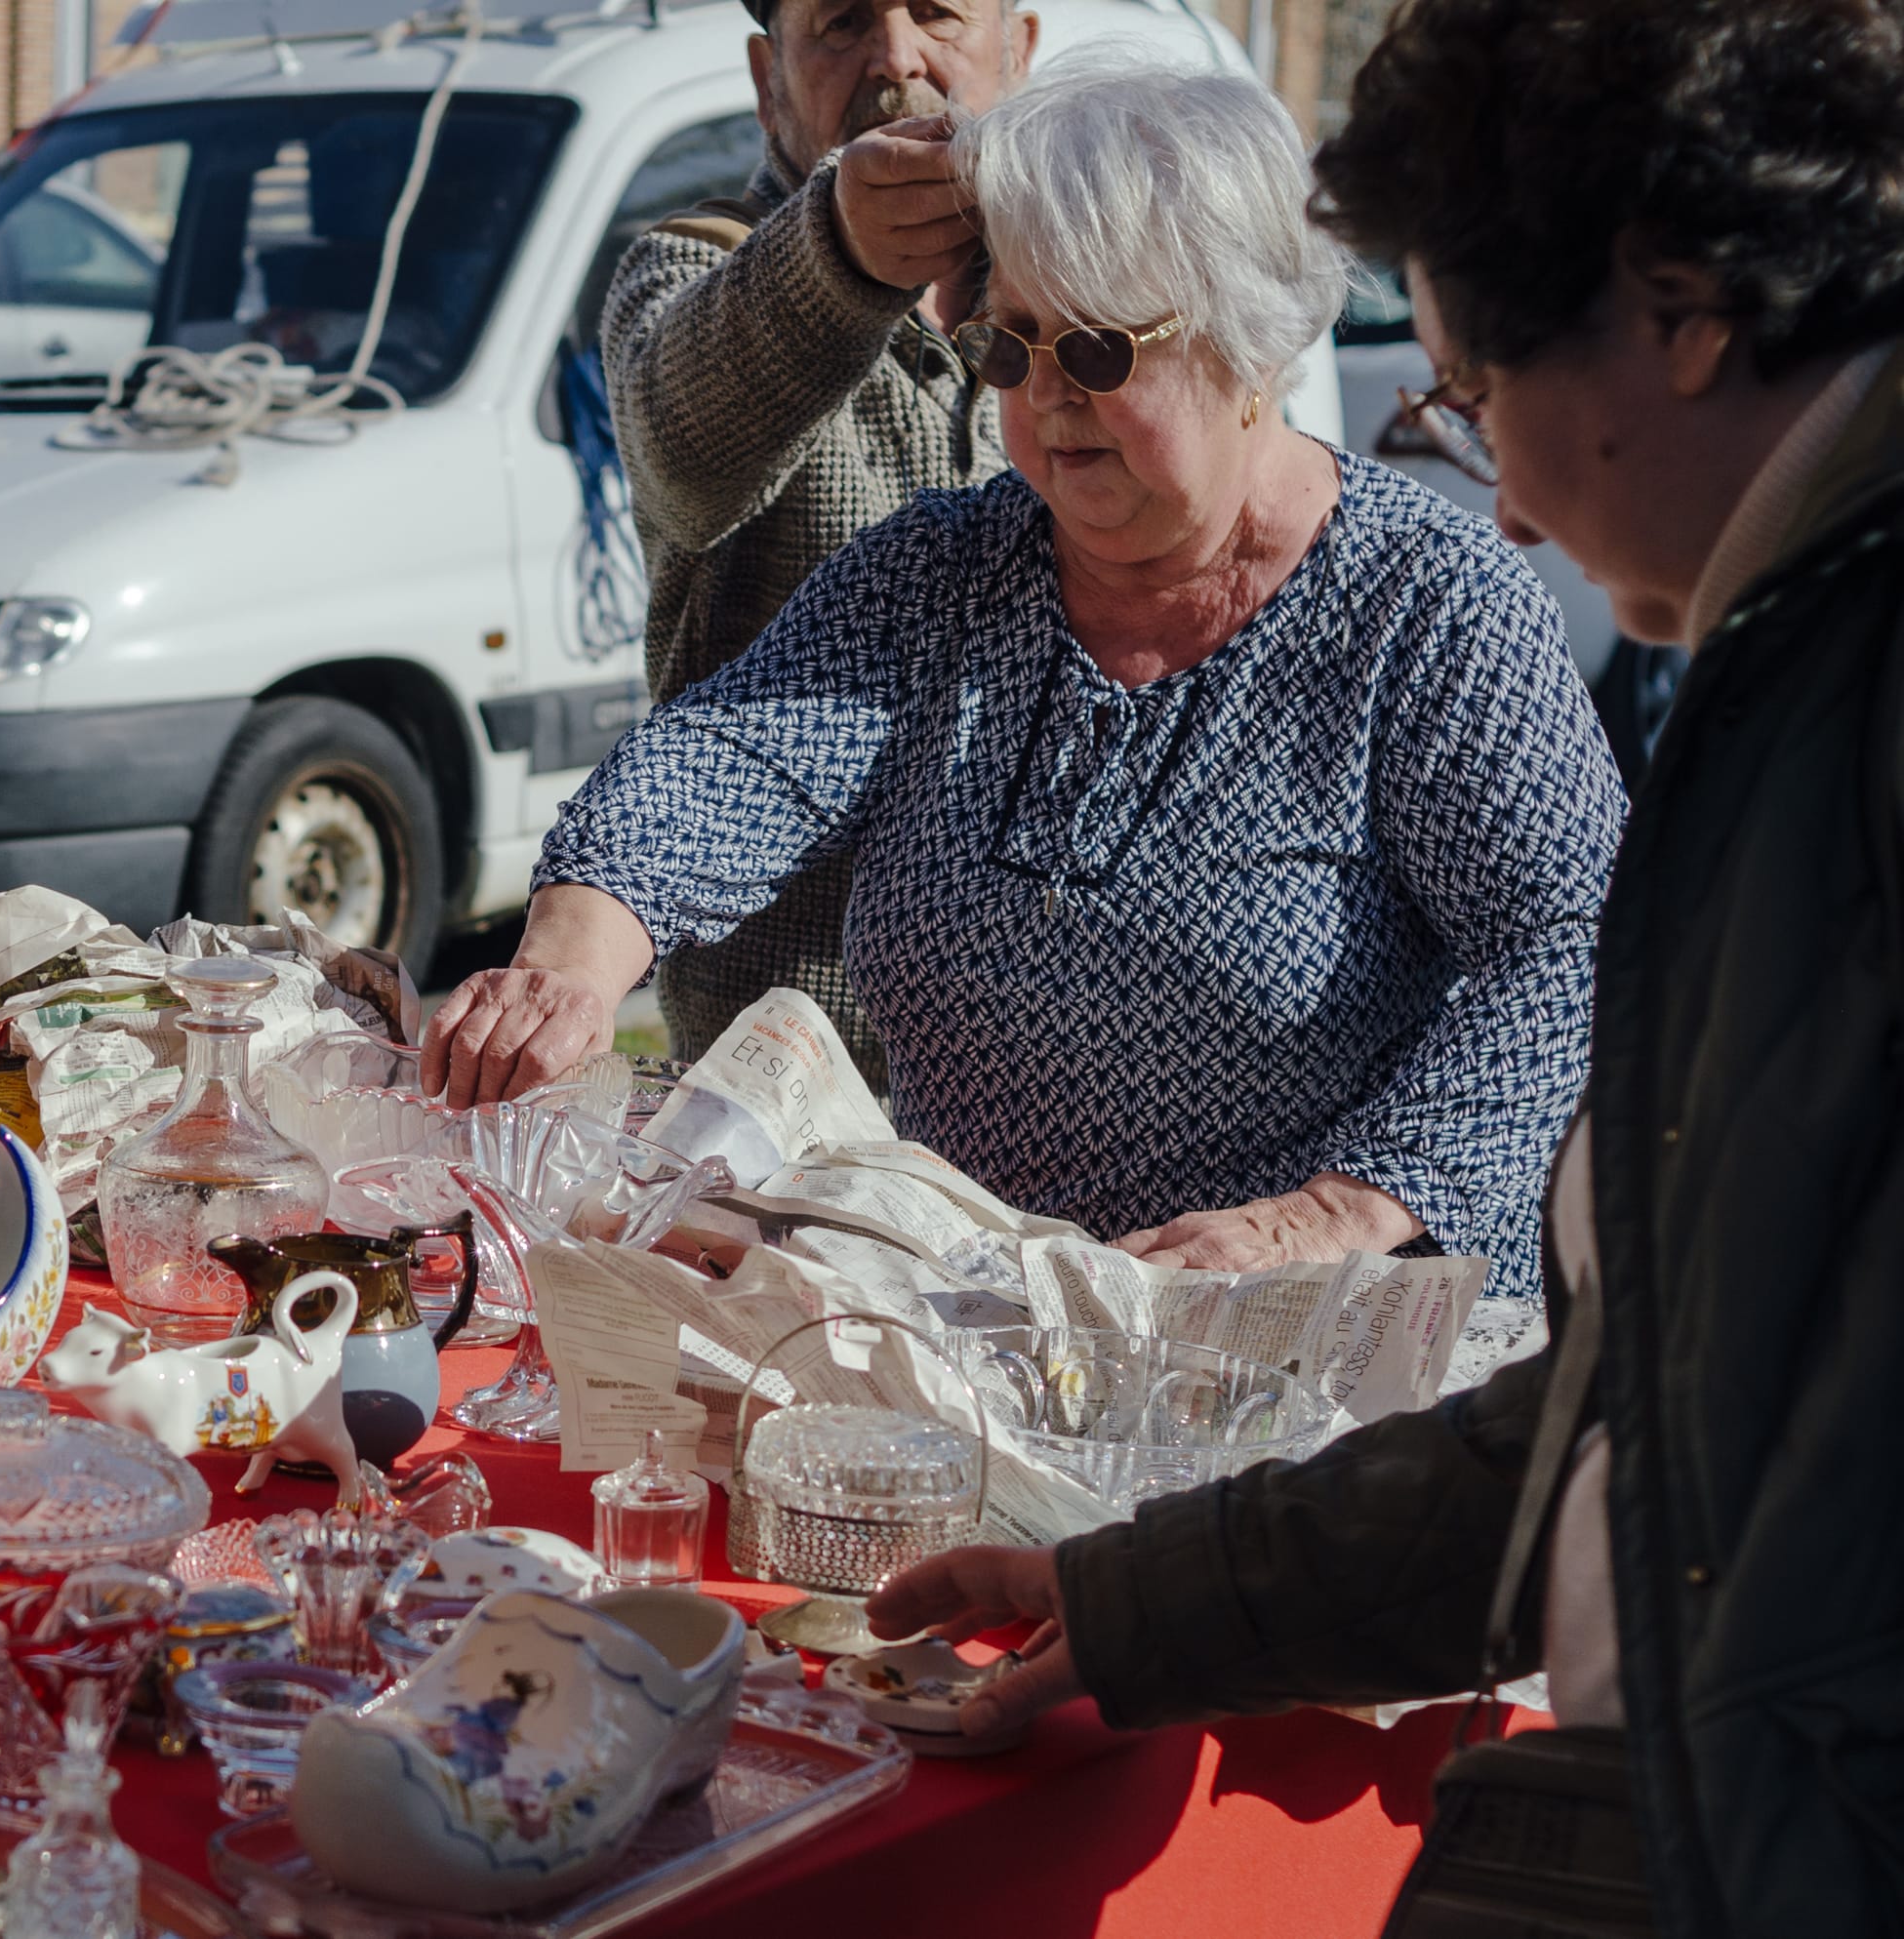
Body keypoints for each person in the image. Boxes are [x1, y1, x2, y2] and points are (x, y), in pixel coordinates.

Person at [867, 1, 1904, 1928]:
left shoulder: (1833, 690)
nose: (1498, 496)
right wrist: (1126, 1597)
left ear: (1678, 312)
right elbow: (1637, 1420)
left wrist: (1338, 1213)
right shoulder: (1792, 658)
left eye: (1471, 394)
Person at [427, 63, 1625, 1302]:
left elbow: (1571, 951)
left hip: (1307, 1344)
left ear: (1248, 341)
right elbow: (727, 760)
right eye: (1011, 345)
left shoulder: (1430, 608)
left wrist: (1325, 1218)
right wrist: (564, 967)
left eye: (1100, 349)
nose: (1048, 399)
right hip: (991, 1330)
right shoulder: (946, 568)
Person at [599, 0, 1036, 1089]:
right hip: (782, 1075)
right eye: (840, 21)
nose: (894, 57)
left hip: (1052, 1079)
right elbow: (680, 455)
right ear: (768, 78)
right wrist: (838, 252)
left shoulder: (1079, 294)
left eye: (937, 12)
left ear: (1020, 48)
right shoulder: (686, 270)